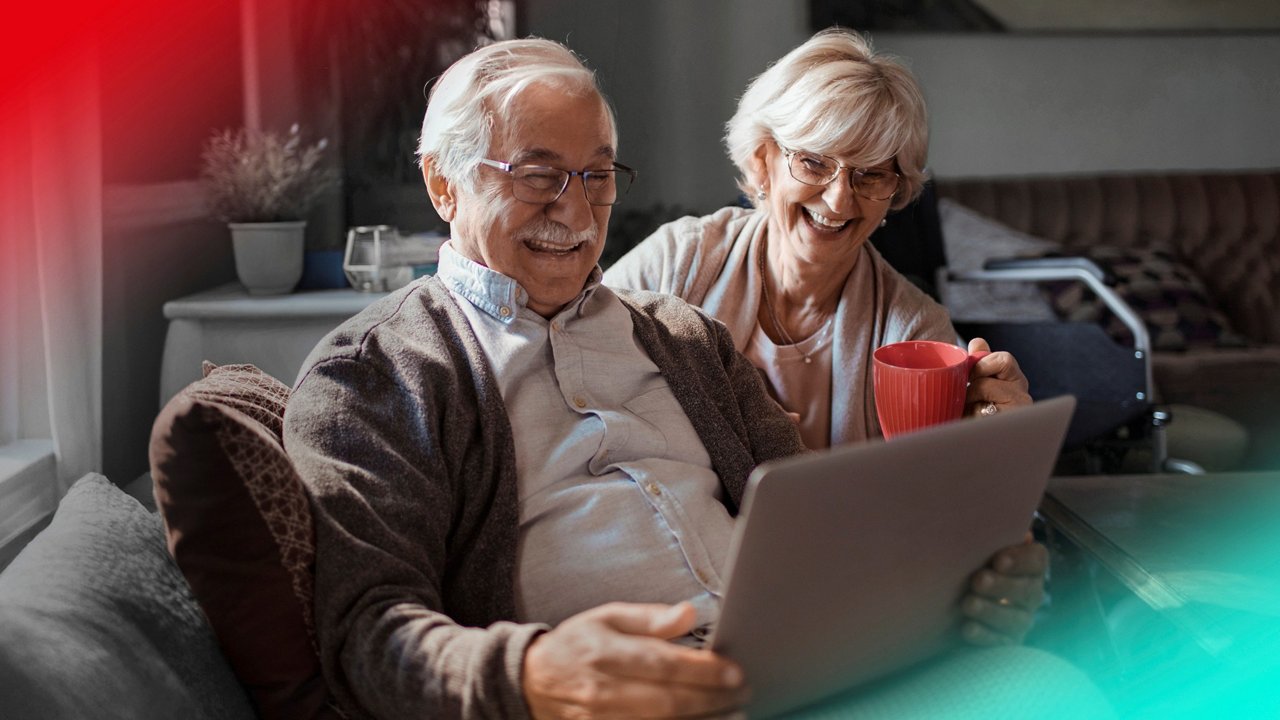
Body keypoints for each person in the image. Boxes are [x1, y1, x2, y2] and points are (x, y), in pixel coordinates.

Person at [284, 38, 1055, 720]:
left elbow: (817, 534)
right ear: (443, 185)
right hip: (629, 702)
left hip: (794, 672)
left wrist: (970, 570)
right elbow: (368, 634)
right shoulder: (376, 376)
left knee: (1045, 684)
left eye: (595, 175)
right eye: (537, 175)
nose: (576, 210)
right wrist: (532, 674)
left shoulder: (684, 337)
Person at [604, 28, 1032, 451]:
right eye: (813, 162)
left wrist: (994, 435)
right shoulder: (679, 260)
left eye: (872, 174)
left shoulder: (913, 328)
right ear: (762, 160)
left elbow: (945, 486)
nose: (840, 198)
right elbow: (572, 360)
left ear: (895, 191)